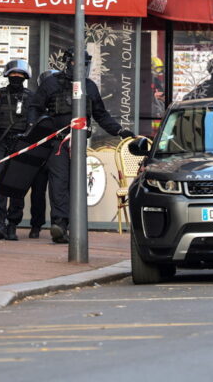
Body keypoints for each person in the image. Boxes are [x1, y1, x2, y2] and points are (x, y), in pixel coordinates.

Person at [29, 48, 134, 244]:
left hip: (78, 142)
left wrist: (119, 131)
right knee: (59, 182)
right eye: (77, 63)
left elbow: (101, 115)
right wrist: (35, 130)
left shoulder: (90, 87)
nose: (81, 68)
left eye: (84, 64)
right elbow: (35, 108)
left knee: (76, 183)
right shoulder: (51, 83)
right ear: (67, 62)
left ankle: (70, 224)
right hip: (57, 142)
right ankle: (59, 224)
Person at [0, 60, 34, 241]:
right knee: (0, 183)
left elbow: (37, 122)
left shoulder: (31, 98)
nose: (16, 78)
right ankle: (0, 222)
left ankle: (12, 225)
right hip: (0, 143)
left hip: (21, 145)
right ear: (8, 76)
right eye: (13, 75)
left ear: (25, 77)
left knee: (18, 185)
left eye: (20, 75)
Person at [28, 69, 59, 239]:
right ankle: (36, 225)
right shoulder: (36, 105)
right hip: (40, 152)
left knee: (57, 191)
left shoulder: (61, 104)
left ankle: (58, 224)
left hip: (56, 152)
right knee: (38, 191)